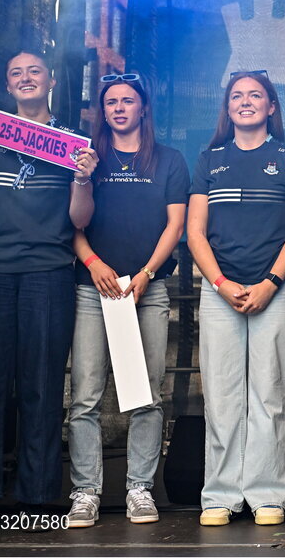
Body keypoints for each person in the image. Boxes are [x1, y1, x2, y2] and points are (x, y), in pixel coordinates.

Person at [0, 49, 98, 536]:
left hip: (48, 271)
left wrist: (82, 178)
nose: (26, 78)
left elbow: (80, 219)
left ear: (50, 80)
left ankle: (35, 500)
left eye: (34, 70)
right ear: (8, 85)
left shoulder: (73, 142)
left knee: (41, 385)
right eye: (16, 73)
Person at [65, 74, 189, 528]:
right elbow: (73, 224)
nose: (119, 108)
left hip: (147, 288)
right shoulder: (86, 159)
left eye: (128, 101)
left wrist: (146, 274)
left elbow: (175, 226)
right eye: (111, 102)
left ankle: (139, 488)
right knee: (85, 396)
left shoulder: (170, 160)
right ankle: (85, 492)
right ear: (103, 111)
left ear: (143, 109)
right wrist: (94, 263)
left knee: (146, 394)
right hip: (92, 287)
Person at [187, 71, 285, 527]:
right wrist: (220, 283)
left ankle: (268, 493)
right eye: (237, 95)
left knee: (270, 394)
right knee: (221, 395)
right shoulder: (209, 160)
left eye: (255, 95)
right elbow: (194, 232)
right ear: (228, 107)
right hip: (221, 291)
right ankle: (220, 495)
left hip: (274, 290)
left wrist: (270, 283)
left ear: (272, 106)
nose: (246, 102)